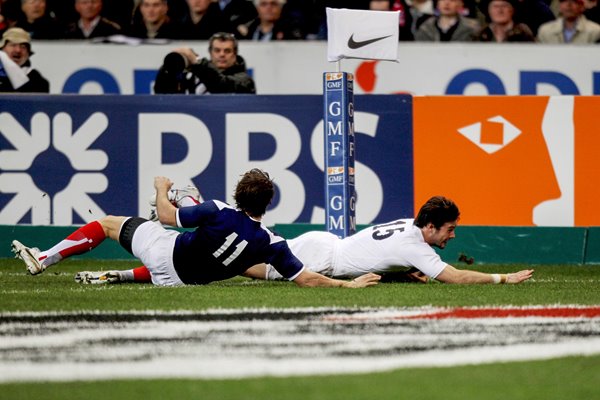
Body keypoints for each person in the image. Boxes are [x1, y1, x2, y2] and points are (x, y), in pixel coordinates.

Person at [12, 169, 381, 288]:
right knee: (195, 257)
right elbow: (307, 279)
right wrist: (350, 283)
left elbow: (168, 217)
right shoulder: (272, 243)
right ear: (267, 204)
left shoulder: (219, 210)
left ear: (238, 195)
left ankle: (43, 257)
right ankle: (119, 276)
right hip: (178, 282)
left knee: (107, 223)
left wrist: (160, 189)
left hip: (163, 253)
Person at [76, 194, 534, 285]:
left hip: (325, 242)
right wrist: (501, 280)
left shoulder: (407, 225)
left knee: (234, 260)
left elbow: (389, 256)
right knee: (236, 262)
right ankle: (192, 218)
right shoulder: (415, 245)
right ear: (431, 227)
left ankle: (122, 272)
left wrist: (404, 274)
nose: (452, 236)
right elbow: (453, 277)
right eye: (450, 229)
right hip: (323, 258)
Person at [153, 31, 256, 94]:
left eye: (227, 51)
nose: (222, 54)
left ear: (235, 54)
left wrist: (197, 62)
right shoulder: (194, 75)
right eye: (217, 50)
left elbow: (221, 85)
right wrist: (170, 67)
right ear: (210, 52)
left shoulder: (244, 80)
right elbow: (161, 91)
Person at [0, 27, 49, 92]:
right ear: (2, 49)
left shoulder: (35, 79)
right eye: (13, 45)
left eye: (23, 47)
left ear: (28, 53)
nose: (18, 50)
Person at [237, 0, 304, 40]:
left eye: (273, 4)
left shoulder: (290, 32)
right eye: (264, 4)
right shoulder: (246, 31)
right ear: (257, 8)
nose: (269, 8)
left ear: (280, 8)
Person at [414, 0, 479, 42]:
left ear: (461, 4)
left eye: (452, 0)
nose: (447, 3)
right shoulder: (425, 27)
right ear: (437, 3)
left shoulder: (472, 27)